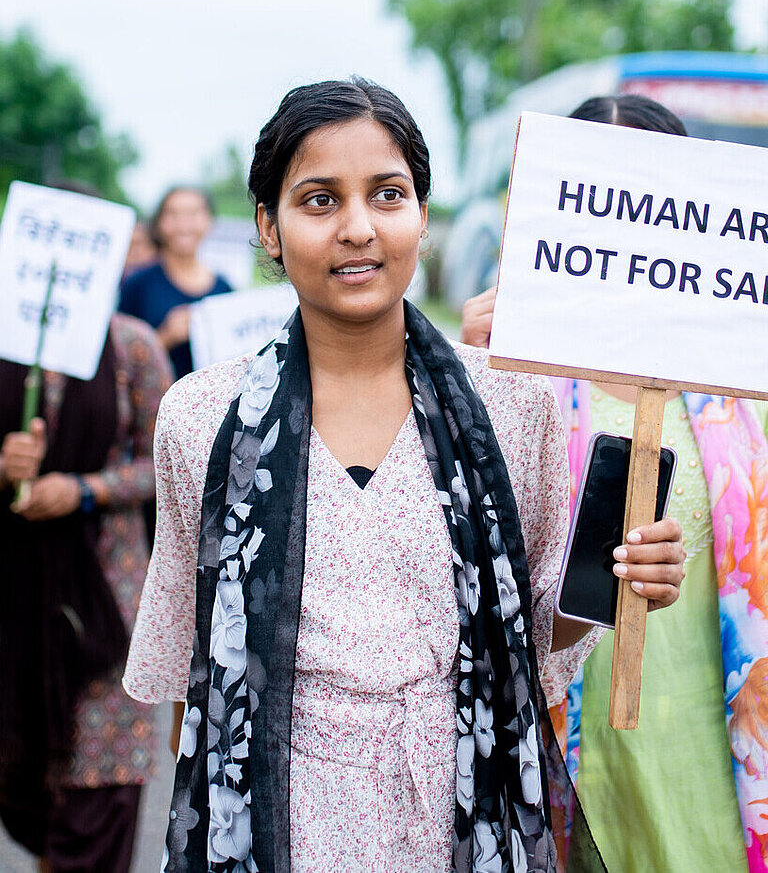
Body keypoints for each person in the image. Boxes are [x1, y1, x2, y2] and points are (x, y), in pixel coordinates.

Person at [124, 79, 683, 873]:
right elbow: (193, 671)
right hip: (280, 824)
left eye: (388, 194)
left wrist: (618, 575)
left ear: (423, 215)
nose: (358, 228)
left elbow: (530, 637)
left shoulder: (509, 404)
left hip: (465, 814)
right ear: (268, 227)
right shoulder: (200, 417)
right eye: (319, 200)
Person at [460, 93, 768, 873]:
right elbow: (462, 555)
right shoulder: (515, 368)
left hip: (714, 733)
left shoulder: (735, 380)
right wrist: (473, 371)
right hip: (570, 737)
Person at [0, 310, 174, 873]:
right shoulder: (9, 341)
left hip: (107, 604)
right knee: (25, 782)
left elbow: (172, 461)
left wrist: (85, 489)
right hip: (17, 608)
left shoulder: (132, 346)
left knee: (101, 794)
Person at [119, 186, 232, 379]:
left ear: (209, 221)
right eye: (173, 214)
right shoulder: (137, 284)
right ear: (159, 223)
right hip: (153, 403)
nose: (184, 224)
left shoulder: (225, 290)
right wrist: (165, 337)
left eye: (194, 213)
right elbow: (119, 356)